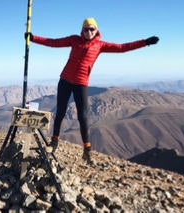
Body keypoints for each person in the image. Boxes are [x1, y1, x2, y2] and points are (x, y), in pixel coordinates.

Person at [25, 17, 159, 164]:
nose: (89, 31)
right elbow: (53, 43)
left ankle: (87, 150)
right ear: (82, 30)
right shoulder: (74, 40)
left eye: (92, 29)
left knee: (83, 117)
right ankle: (54, 142)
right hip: (64, 81)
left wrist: (145, 42)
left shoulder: (100, 45)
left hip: (81, 83)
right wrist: (33, 38)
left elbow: (122, 48)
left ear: (96, 30)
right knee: (61, 112)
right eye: (86, 29)